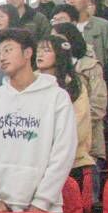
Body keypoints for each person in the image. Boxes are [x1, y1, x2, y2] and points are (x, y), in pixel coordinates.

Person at [0, 29, 77, 213]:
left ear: (28, 53)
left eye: (8, 50)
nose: (2, 57)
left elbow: (63, 152)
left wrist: (42, 202)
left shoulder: (57, 97)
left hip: (44, 210)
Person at [36, 35, 93, 188]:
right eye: (38, 50)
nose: (40, 54)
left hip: (72, 161)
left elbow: (79, 123)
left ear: (60, 54)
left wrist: (51, 144)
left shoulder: (74, 85)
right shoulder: (29, 82)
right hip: (35, 162)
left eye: (46, 50)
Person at [53, 22, 106, 169]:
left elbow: (98, 105)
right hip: (55, 149)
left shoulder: (90, 66)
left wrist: (73, 129)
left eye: (58, 39)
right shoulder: (47, 71)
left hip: (88, 144)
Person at [64, 0, 108, 98]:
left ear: (87, 0)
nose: (71, 1)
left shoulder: (102, 25)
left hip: (100, 82)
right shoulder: (63, 28)